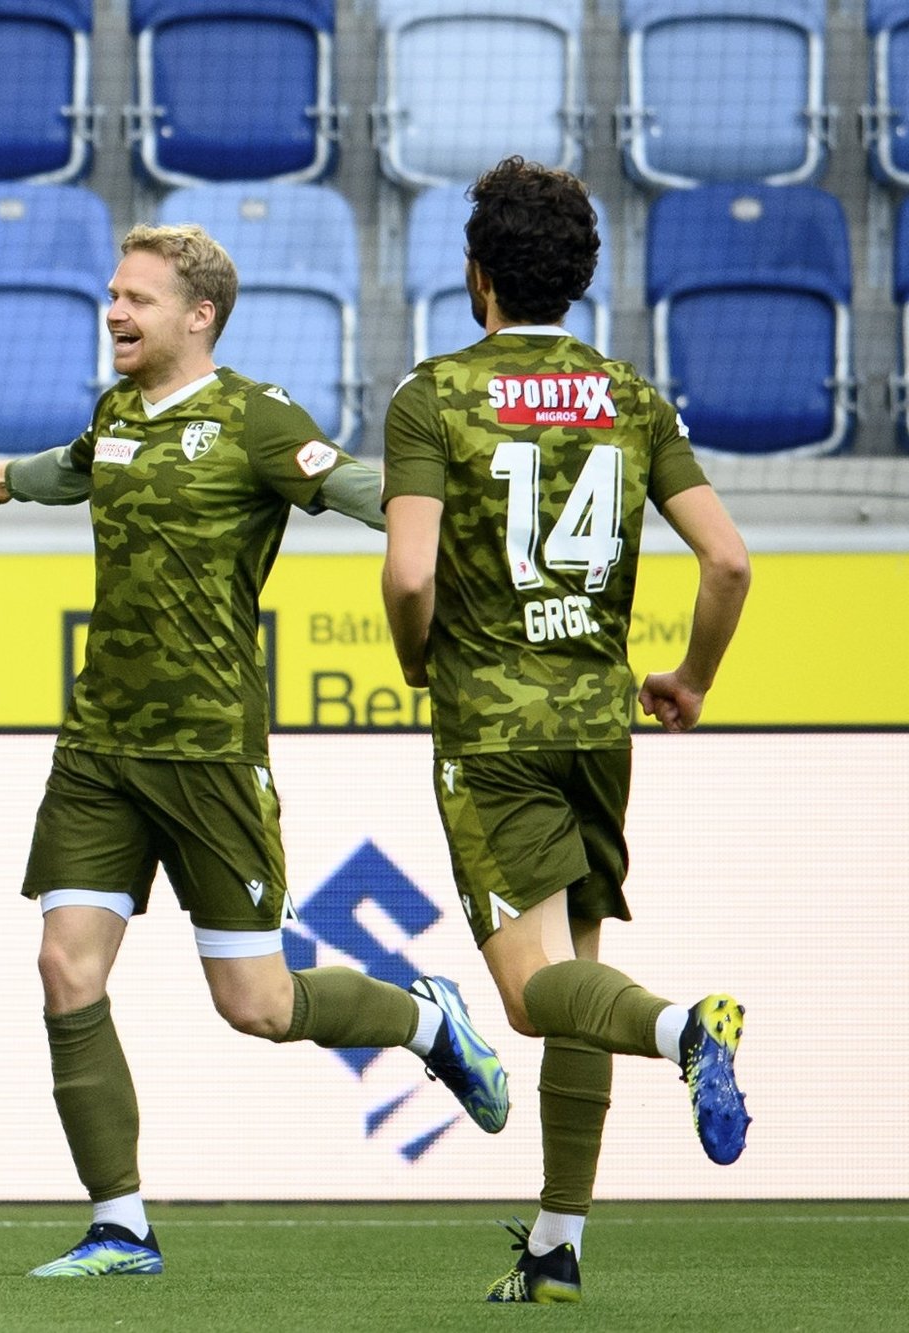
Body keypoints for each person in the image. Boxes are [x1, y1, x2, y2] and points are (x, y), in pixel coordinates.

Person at [0, 223, 512, 1280]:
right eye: (111, 293)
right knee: (63, 966)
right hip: (98, 747)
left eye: (136, 299)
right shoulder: (116, 411)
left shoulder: (253, 418)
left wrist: (447, 525)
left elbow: (354, 488)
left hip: (209, 752)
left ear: (197, 315)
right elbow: (73, 468)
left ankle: (424, 1022)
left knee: (256, 1005)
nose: (114, 312)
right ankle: (120, 1226)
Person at [378, 157, 753, 1305]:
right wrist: (688, 675)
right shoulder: (630, 397)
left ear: (474, 276)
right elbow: (728, 559)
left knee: (529, 996)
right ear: (579, 279)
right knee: (574, 970)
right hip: (598, 727)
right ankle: (555, 1245)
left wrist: (414, 659)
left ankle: (687, 1024)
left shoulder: (432, 395)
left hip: (490, 730)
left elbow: (406, 576)